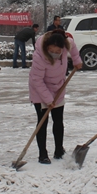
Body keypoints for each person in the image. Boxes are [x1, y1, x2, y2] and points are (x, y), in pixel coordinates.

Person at [28, 31, 82, 163]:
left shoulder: (66, 44)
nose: (55, 53)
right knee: (43, 122)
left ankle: (59, 150)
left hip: (58, 87)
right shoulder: (39, 57)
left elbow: (73, 47)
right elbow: (37, 80)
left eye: (58, 51)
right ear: (46, 47)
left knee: (58, 121)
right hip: (40, 91)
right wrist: (48, 99)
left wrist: (77, 60)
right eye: (52, 50)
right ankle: (43, 154)